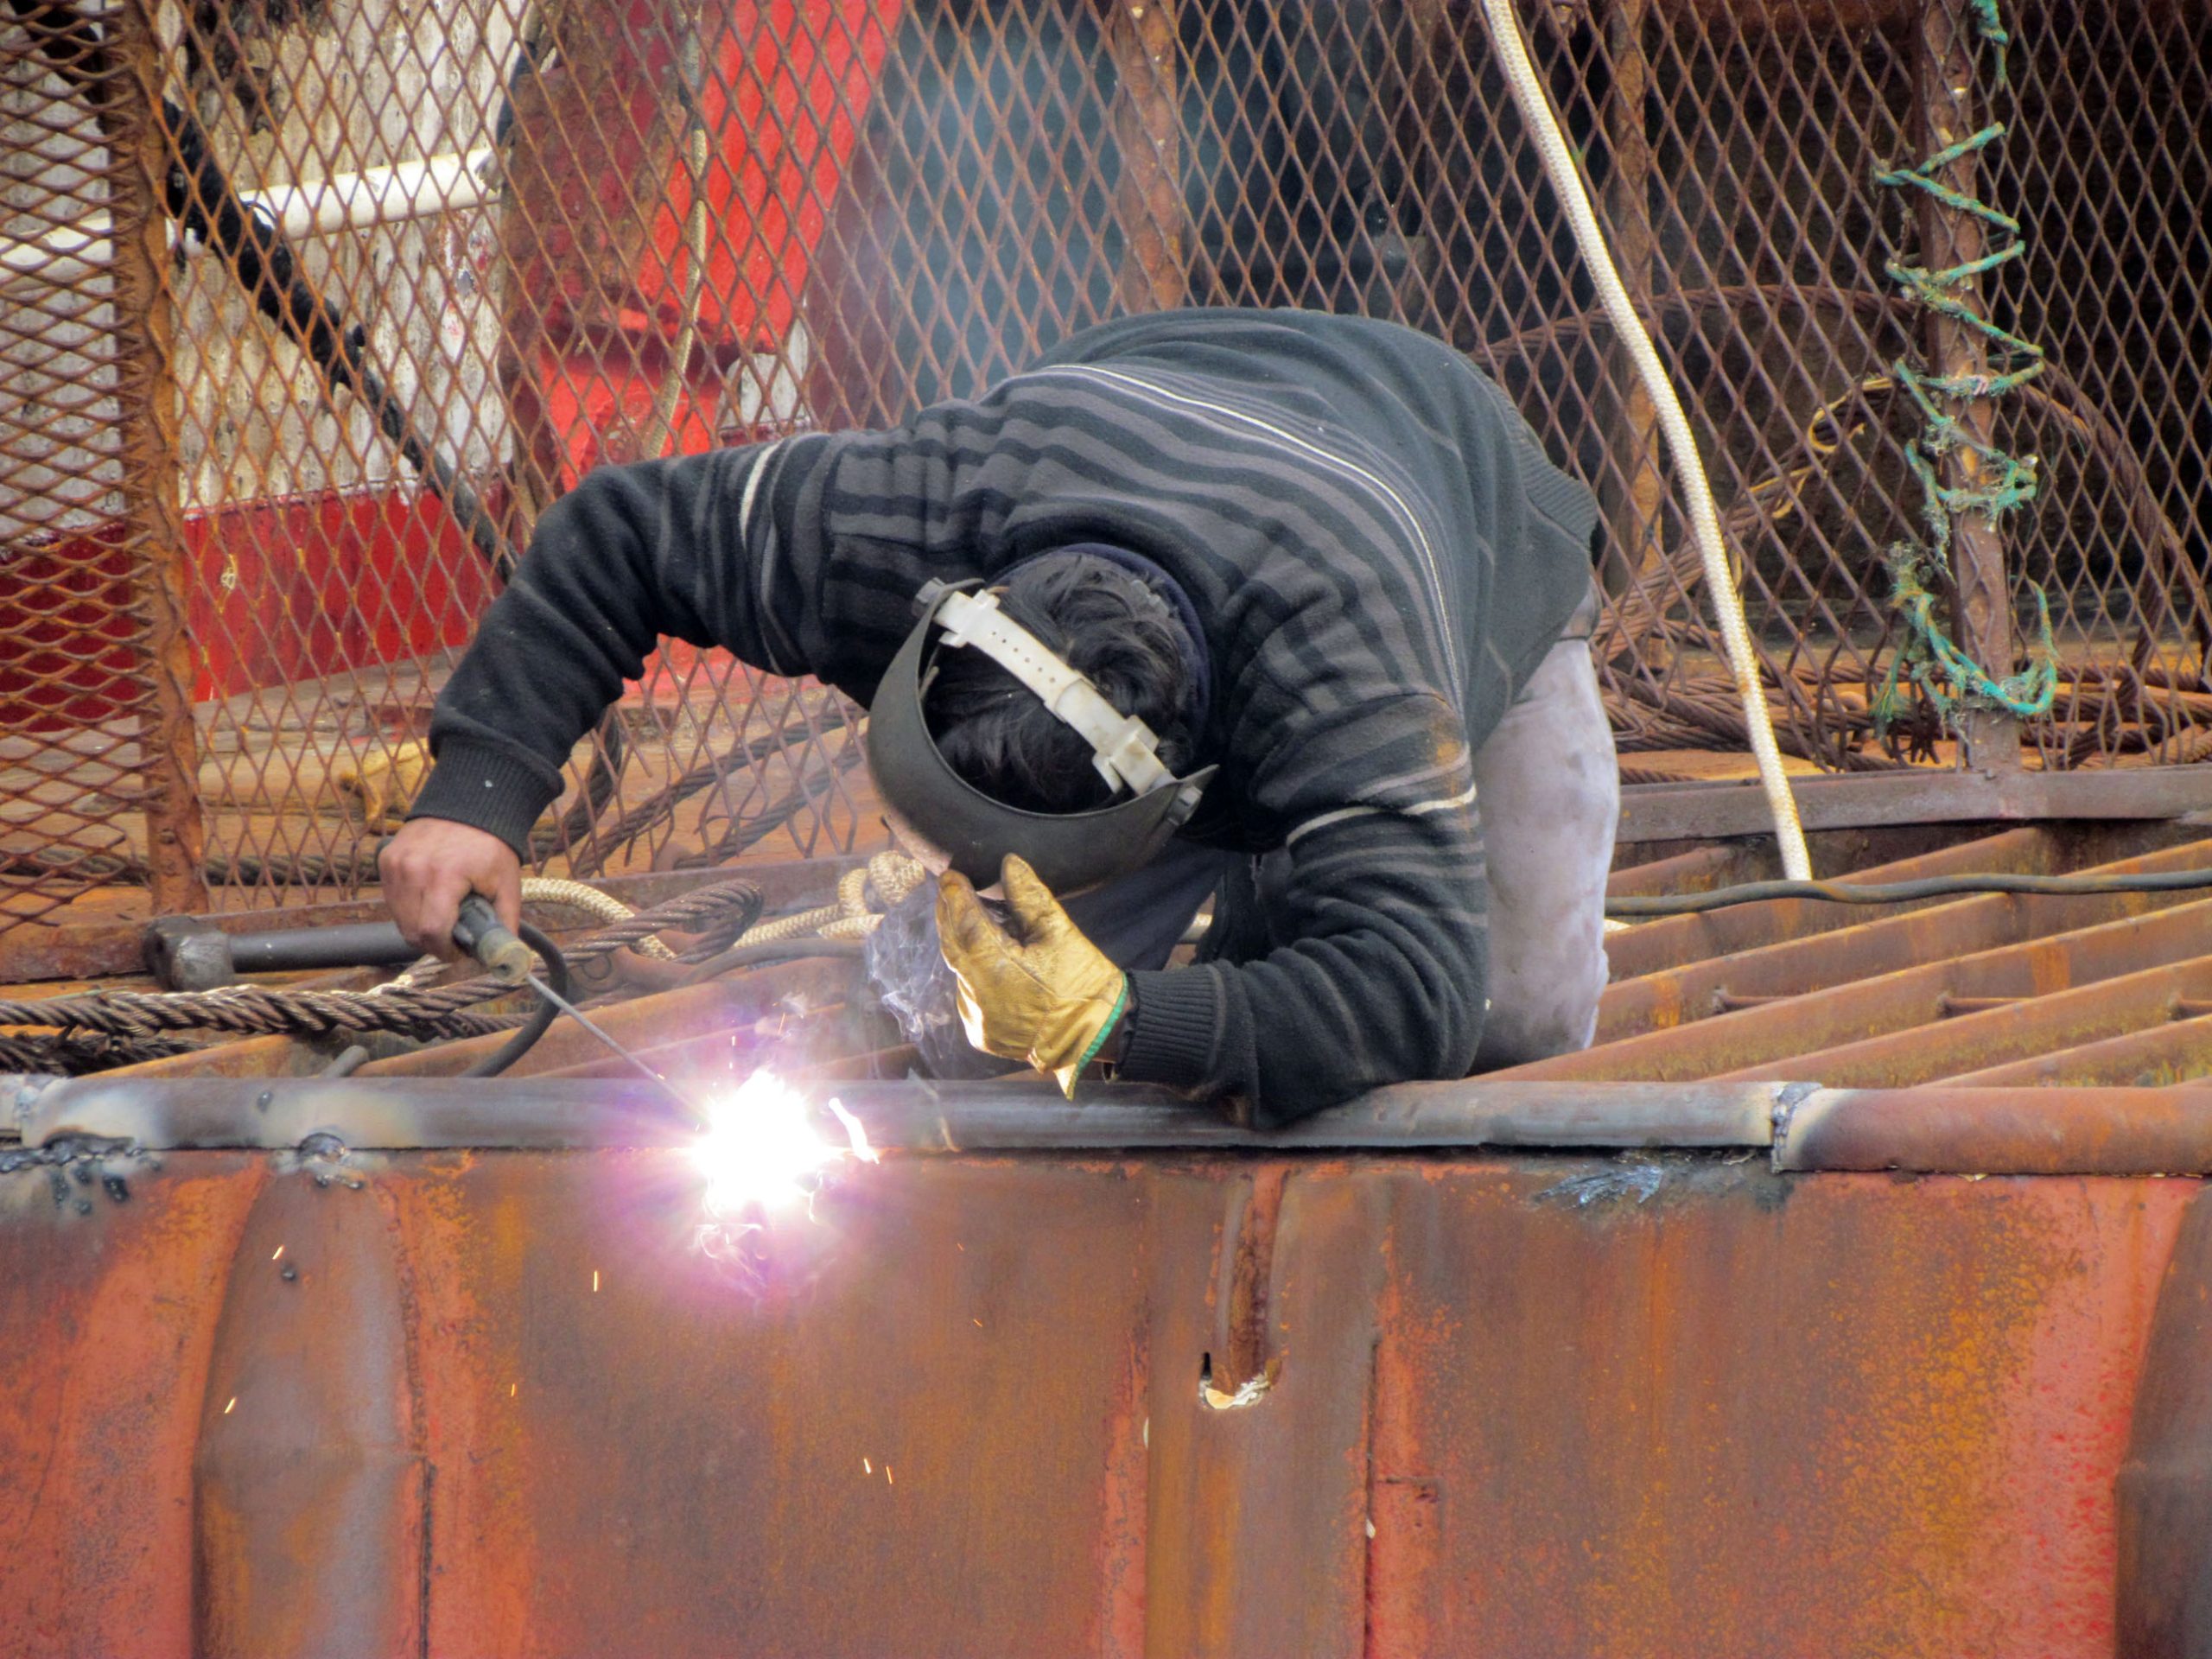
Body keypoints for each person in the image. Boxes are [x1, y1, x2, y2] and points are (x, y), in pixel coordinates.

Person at [380, 308, 1619, 1125]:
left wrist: (1128, 1020)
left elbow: (1415, 985)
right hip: (1164, 397)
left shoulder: (1355, 672)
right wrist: (477, 793)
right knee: (979, 1039)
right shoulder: (905, 518)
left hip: (1451, 488)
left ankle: (1240, 943)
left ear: (1169, 803)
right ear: (938, 617)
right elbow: (621, 533)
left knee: (1516, 1010)